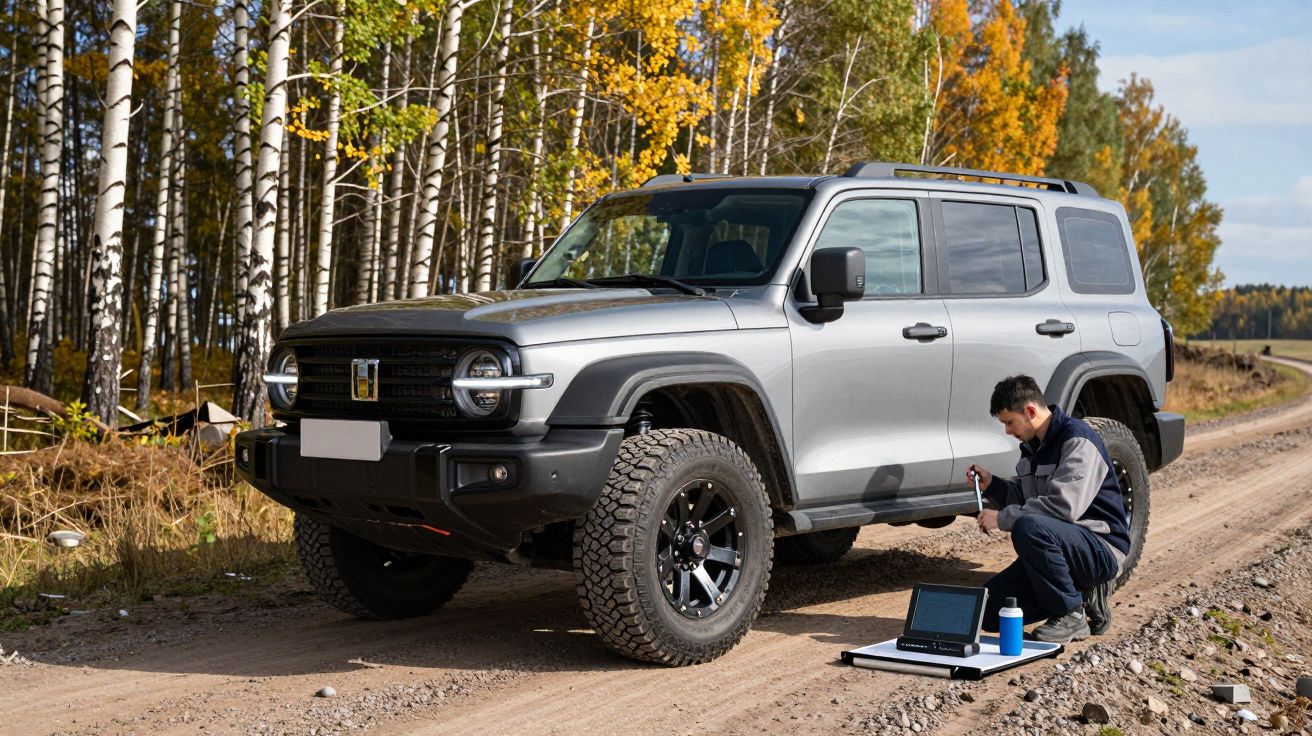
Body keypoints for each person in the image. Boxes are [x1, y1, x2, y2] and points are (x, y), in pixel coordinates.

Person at [967, 375, 1130, 643]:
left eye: (1009, 422)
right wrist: (992, 485)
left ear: (1030, 411)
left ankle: (1071, 615)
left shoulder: (1077, 440)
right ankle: (1082, 591)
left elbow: (1063, 507)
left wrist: (1002, 518)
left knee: (1027, 527)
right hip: (1060, 547)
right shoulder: (1032, 448)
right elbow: (1024, 497)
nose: (1007, 431)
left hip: (1100, 547)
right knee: (987, 610)